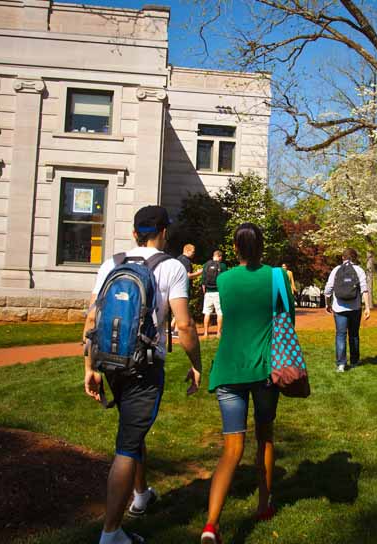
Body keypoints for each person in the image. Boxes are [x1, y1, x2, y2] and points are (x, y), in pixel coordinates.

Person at [83, 205, 203, 544]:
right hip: (145, 367)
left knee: (133, 432)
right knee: (127, 445)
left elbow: (92, 319)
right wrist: (196, 364)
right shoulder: (172, 268)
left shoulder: (112, 263)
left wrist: (89, 367)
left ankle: (141, 494)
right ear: (164, 232)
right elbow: (184, 324)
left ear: (135, 232)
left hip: (111, 361)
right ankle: (111, 534)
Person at [200, 223, 293, 544]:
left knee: (231, 449)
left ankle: (211, 524)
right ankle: (264, 504)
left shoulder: (224, 279)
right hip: (264, 370)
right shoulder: (277, 277)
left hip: (228, 369)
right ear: (262, 246)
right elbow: (288, 319)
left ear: (236, 249)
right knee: (265, 438)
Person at [323, 249, 371, 372]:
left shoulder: (336, 270)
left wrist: (328, 304)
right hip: (355, 308)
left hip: (339, 308)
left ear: (342, 258)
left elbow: (328, 290)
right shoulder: (359, 270)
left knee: (340, 335)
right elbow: (364, 290)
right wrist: (367, 307)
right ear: (355, 258)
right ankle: (354, 361)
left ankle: (341, 364)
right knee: (354, 335)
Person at [173, 244, 201, 335]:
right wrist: (199, 273)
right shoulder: (186, 261)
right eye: (193, 252)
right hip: (184, 287)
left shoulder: (178, 259)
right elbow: (188, 276)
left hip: (176, 286)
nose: (194, 254)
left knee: (178, 308)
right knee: (183, 309)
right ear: (187, 251)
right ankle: (177, 330)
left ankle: (172, 326)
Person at [201, 250, 227, 339]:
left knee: (207, 312)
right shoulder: (222, 266)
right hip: (218, 292)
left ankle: (205, 333)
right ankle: (218, 333)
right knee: (220, 312)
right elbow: (224, 280)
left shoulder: (206, 265)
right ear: (220, 257)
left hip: (208, 292)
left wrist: (205, 291)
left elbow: (203, 281)